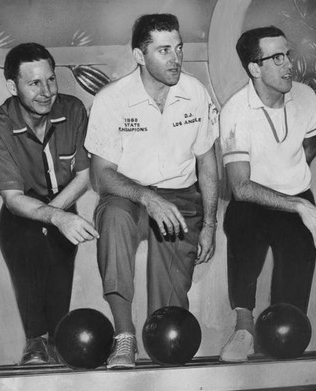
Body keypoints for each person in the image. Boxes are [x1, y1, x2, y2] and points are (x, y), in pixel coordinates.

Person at [84, 13, 219, 369]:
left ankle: (163, 346)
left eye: (178, 48)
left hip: (180, 197)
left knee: (169, 309)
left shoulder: (195, 93)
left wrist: (209, 225)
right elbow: (101, 176)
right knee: (113, 217)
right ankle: (124, 336)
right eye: (163, 51)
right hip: (129, 196)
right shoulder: (112, 99)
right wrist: (147, 197)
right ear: (140, 57)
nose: (175, 59)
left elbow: (207, 163)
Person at [218, 26, 316, 362]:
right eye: (277, 58)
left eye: (288, 54)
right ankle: (244, 327)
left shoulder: (306, 96)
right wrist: (298, 204)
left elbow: (311, 141)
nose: (289, 66)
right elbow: (241, 186)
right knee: (241, 218)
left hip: (295, 199)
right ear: (255, 68)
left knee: (291, 296)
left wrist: (296, 186)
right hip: (254, 201)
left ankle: (285, 326)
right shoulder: (235, 111)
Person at [0, 43, 99, 365]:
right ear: (12, 86)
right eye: (34, 83)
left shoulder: (73, 110)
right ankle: (35, 340)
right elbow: (14, 199)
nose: (46, 92)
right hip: (22, 211)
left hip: (63, 201)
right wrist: (54, 219)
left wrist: (57, 217)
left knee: (57, 248)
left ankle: (57, 338)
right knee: (25, 232)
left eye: (51, 80)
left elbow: (86, 176)